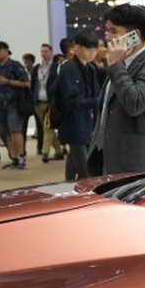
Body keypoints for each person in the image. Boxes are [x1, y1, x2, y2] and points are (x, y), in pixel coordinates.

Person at [95, 4, 145, 175]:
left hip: (137, 167)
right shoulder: (121, 64)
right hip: (110, 163)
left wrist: (116, 65)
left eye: (113, 31)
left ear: (134, 35)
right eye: (107, 31)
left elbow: (135, 104)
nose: (107, 37)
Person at [54, 32, 107, 180]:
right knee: (85, 168)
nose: (91, 53)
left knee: (75, 158)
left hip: (88, 121)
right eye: (87, 49)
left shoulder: (90, 68)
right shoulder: (68, 68)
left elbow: (96, 93)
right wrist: (97, 101)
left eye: (94, 49)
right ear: (76, 48)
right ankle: (79, 189)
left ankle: (69, 183)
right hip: (74, 122)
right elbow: (71, 100)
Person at [0, 39, 31, 170]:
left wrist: (8, 82)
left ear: (6, 51)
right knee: (4, 132)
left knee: (15, 131)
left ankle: (21, 157)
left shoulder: (15, 65)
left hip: (14, 103)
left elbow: (27, 83)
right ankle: (14, 158)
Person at [34, 41, 63, 161]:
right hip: (38, 102)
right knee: (48, 127)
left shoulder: (56, 67)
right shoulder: (37, 68)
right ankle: (59, 151)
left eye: (46, 51)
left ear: (51, 52)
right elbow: (33, 84)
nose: (43, 54)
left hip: (51, 102)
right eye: (42, 52)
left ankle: (45, 152)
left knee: (47, 127)